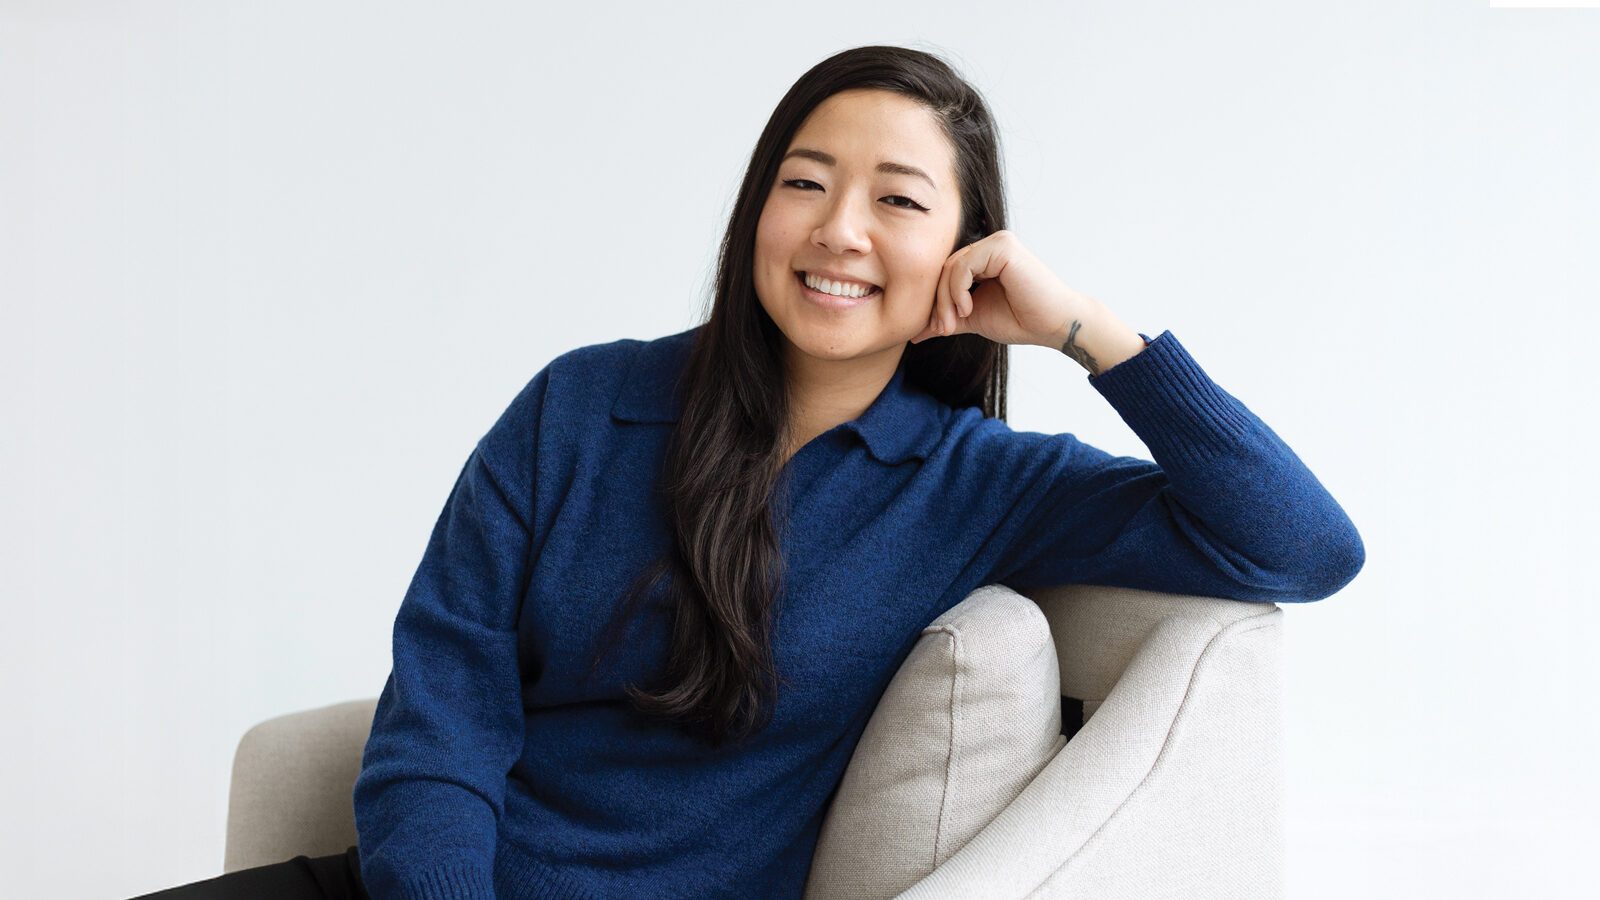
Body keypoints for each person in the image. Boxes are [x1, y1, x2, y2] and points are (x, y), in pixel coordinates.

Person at [135, 44, 1364, 900]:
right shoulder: (581, 405)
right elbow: (439, 718)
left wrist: (1086, 330)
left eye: (897, 201)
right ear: (755, 212)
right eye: (804, 183)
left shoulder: (977, 486)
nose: (839, 230)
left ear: (966, 251)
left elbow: (1303, 547)